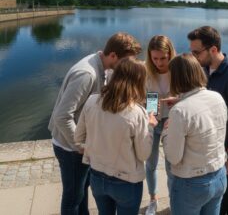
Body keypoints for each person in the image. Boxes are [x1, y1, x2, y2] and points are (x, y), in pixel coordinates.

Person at [48, 32, 141, 215]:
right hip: (70, 148)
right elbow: (62, 116)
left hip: (79, 145)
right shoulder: (87, 74)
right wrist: (82, 146)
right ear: (113, 55)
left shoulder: (103, 64)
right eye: (126, 61)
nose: (127, 66)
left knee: (81, 194)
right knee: (72, 199)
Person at [74, 57, 157, 215]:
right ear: (138, 82)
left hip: (97, 176)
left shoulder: (92, 101)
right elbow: (143, 153)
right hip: (126, 181)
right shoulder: (137, 113)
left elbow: (78, 138)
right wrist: (150, 126)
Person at [187, 26, 228, 215]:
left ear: (213, 50)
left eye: (196, 52)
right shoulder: (206, 70)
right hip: (216, 146)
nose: (193, 57)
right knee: (217, 196)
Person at [162, 53, 228, 215]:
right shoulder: (217, 97)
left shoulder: (179, 112)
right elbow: (201, 114)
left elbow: (173, 158)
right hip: (219, 175)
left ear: (177, 79)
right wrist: (181, 100)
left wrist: (166, 131)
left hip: (191, 184)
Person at [144, 35, 176, 215]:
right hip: (153, 120)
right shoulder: (146, 70)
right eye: (154, 58)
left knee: (172, 165)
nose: (159, 62)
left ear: (170, 53)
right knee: (151, 163)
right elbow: (145, 98)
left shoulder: (178, 70)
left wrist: (177, 101)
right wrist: (149, 110)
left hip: (172, 122)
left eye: (163, 58)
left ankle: (173, 198)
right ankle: (153, 199)